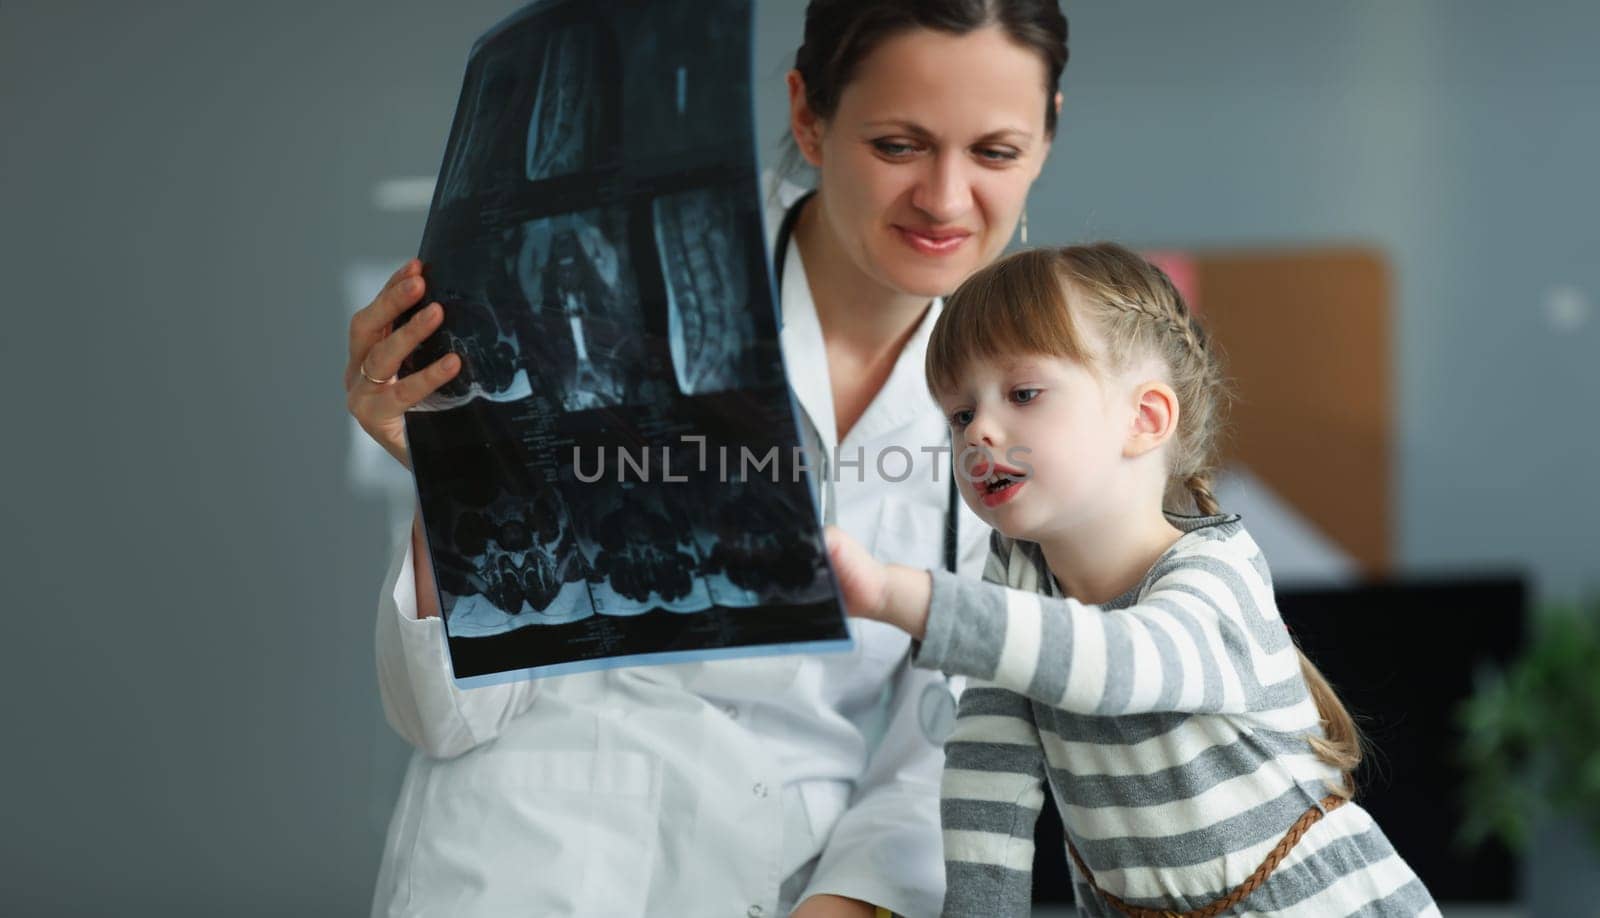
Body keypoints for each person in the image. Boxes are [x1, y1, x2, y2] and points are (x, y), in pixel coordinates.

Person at [342, 2, 1069, 915]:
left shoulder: (1043, 405)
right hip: (531, 865)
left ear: (1047, 136)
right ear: (809, 116)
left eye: (995, 152)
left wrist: (844, 907)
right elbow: (447, 717)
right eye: (898, 145)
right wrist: (459, 478)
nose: (946, 198)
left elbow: (947, 759)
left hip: (789, 887)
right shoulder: (599, 294)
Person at [824, 244, 1439, 916]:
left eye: (1023, 393)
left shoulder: (1217, 572)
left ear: (1145, 419)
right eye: (960, 414)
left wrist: (899, 597)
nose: (981, 434)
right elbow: (988, 772)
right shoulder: (1018, 578)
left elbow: (1114, 663)